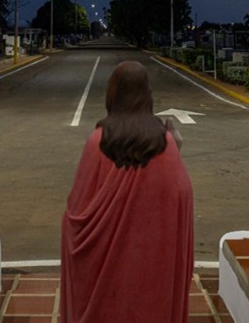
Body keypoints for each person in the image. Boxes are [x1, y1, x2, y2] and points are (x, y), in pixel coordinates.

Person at [60, 60, 194, 323]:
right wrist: (176, 151)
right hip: (153, 263)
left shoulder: (97, 142)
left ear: (113, 94)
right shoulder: (165, 142)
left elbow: (76, 215)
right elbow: (180, 200)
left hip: (104, 280)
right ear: (147, 96)